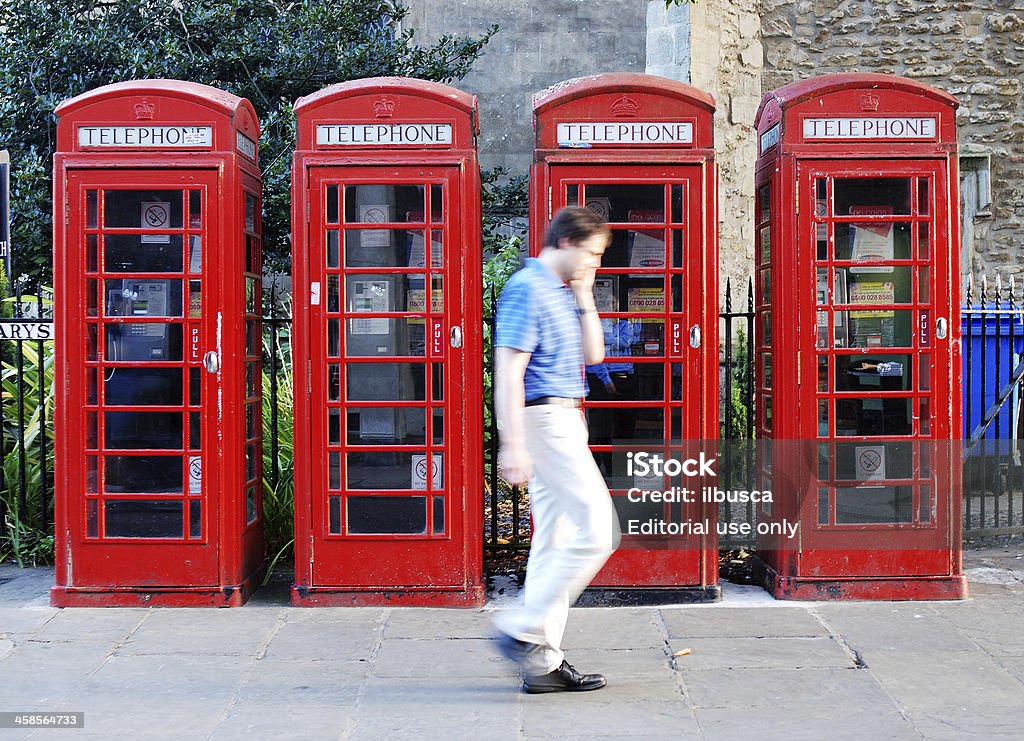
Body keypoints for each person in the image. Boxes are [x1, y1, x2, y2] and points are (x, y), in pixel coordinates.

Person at [492, 206, 619, 694]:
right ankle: (521, 628)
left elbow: (595, 356)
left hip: (567, 416)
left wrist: (585, 293)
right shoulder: (527, 289)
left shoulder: (561, 292)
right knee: (600, 529)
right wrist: (513, 443)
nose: (596, 263)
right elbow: (508, 372)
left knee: (553, 544)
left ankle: (542, 665)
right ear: (566, 242)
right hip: (545, 419)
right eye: (592, 253)